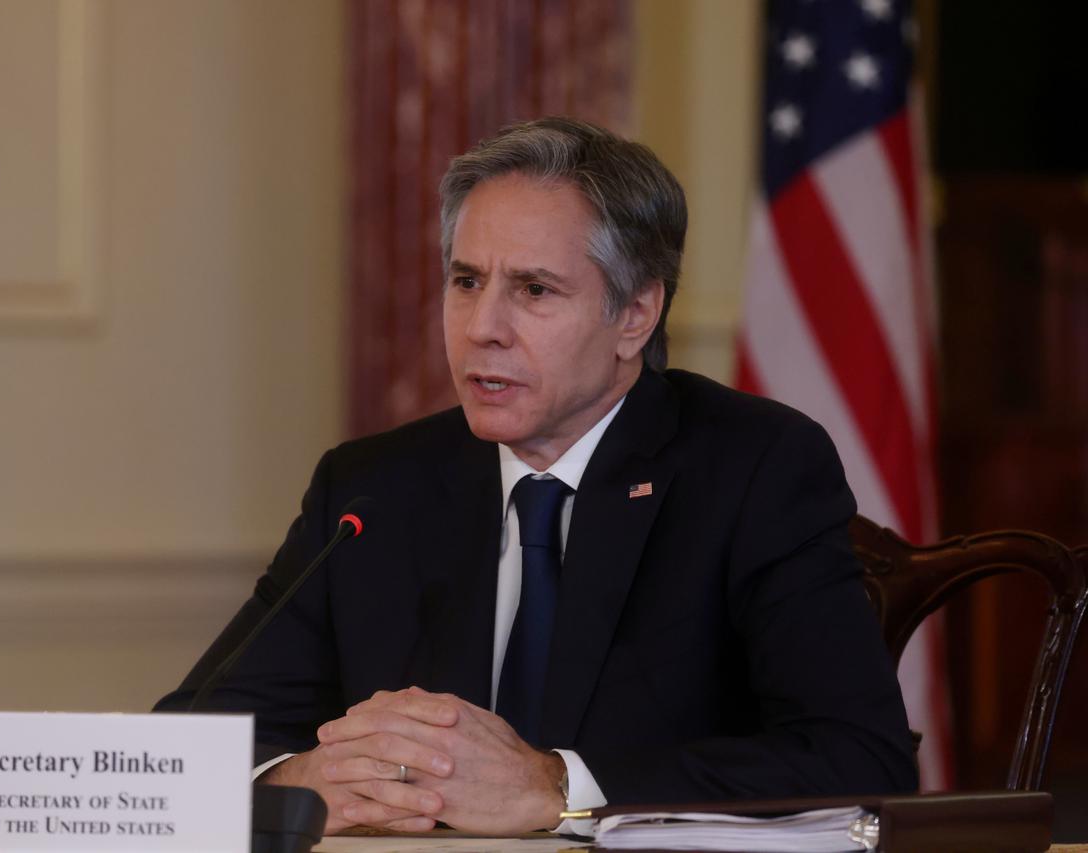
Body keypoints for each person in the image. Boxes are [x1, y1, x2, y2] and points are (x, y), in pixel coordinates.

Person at [155, 117, 918, 835]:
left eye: (533, 290)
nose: (483, 327)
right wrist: (303, 777)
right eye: (465, 281)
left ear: (635, 316)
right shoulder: (372, 489)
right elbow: (188, 740)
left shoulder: (754, 468)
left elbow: (858, 758)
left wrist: (558, 787)